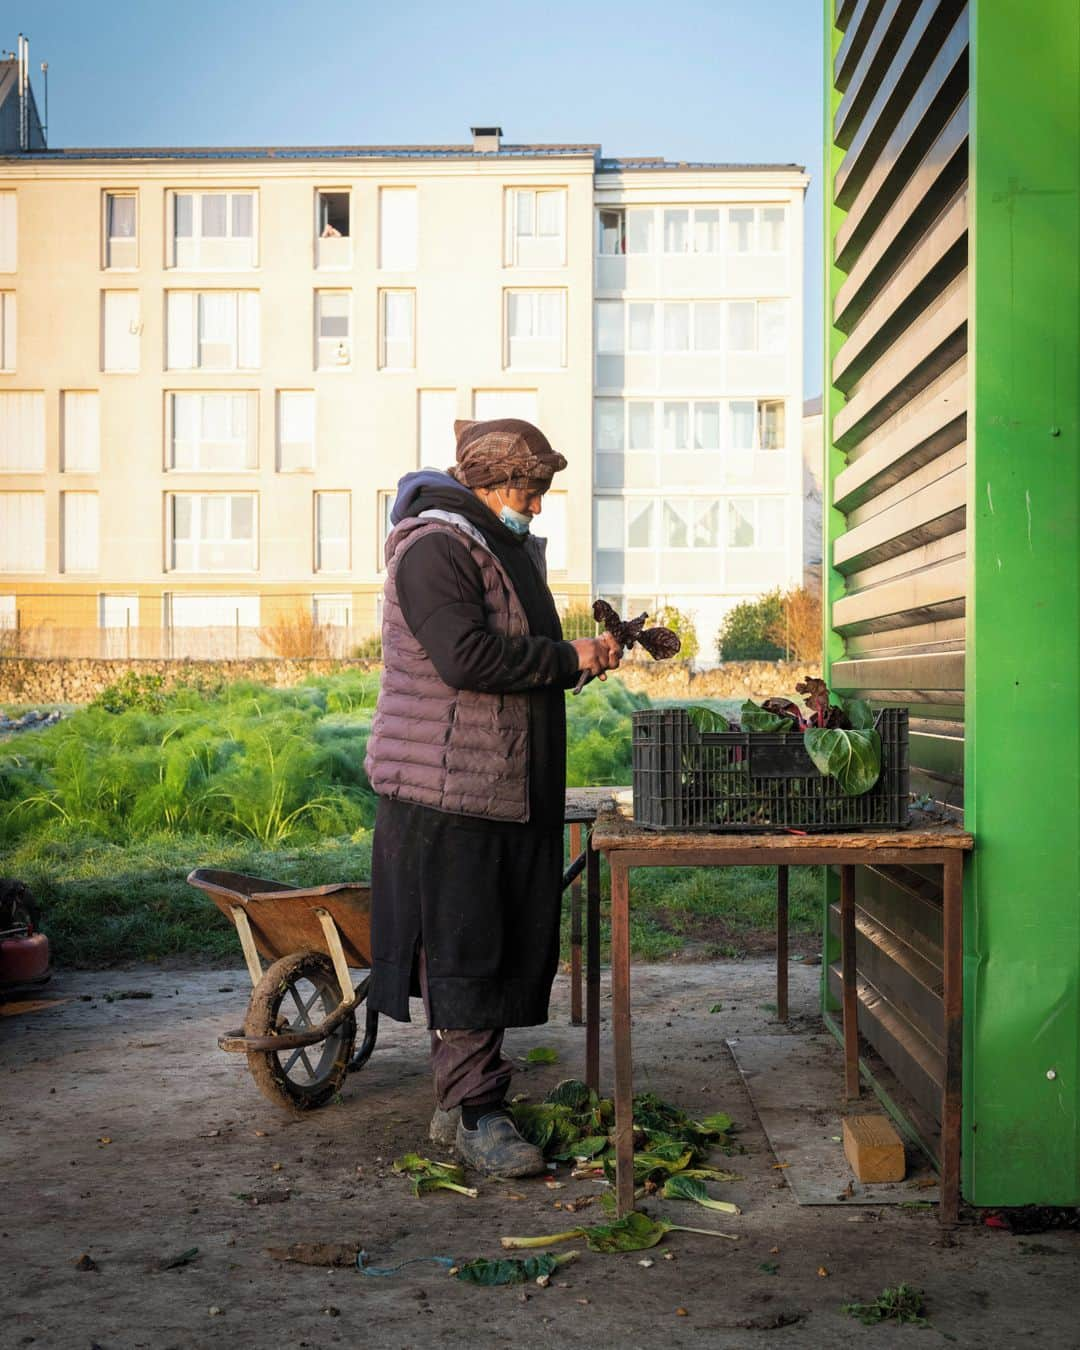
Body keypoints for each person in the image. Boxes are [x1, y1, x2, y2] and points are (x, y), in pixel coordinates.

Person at [364, 418, 620, 1176]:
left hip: (498, 781)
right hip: (450, 789)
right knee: (468, 950)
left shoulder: (495, 547)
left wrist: (578, 662)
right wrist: (562, 654)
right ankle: (477, 1115)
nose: (535, 505)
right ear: (483, 483)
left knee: (495, 944)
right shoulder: (435, 547)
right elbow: (465, 656)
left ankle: (466, 1102)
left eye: (541, 492)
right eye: (526, 489)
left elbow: (520, 652)